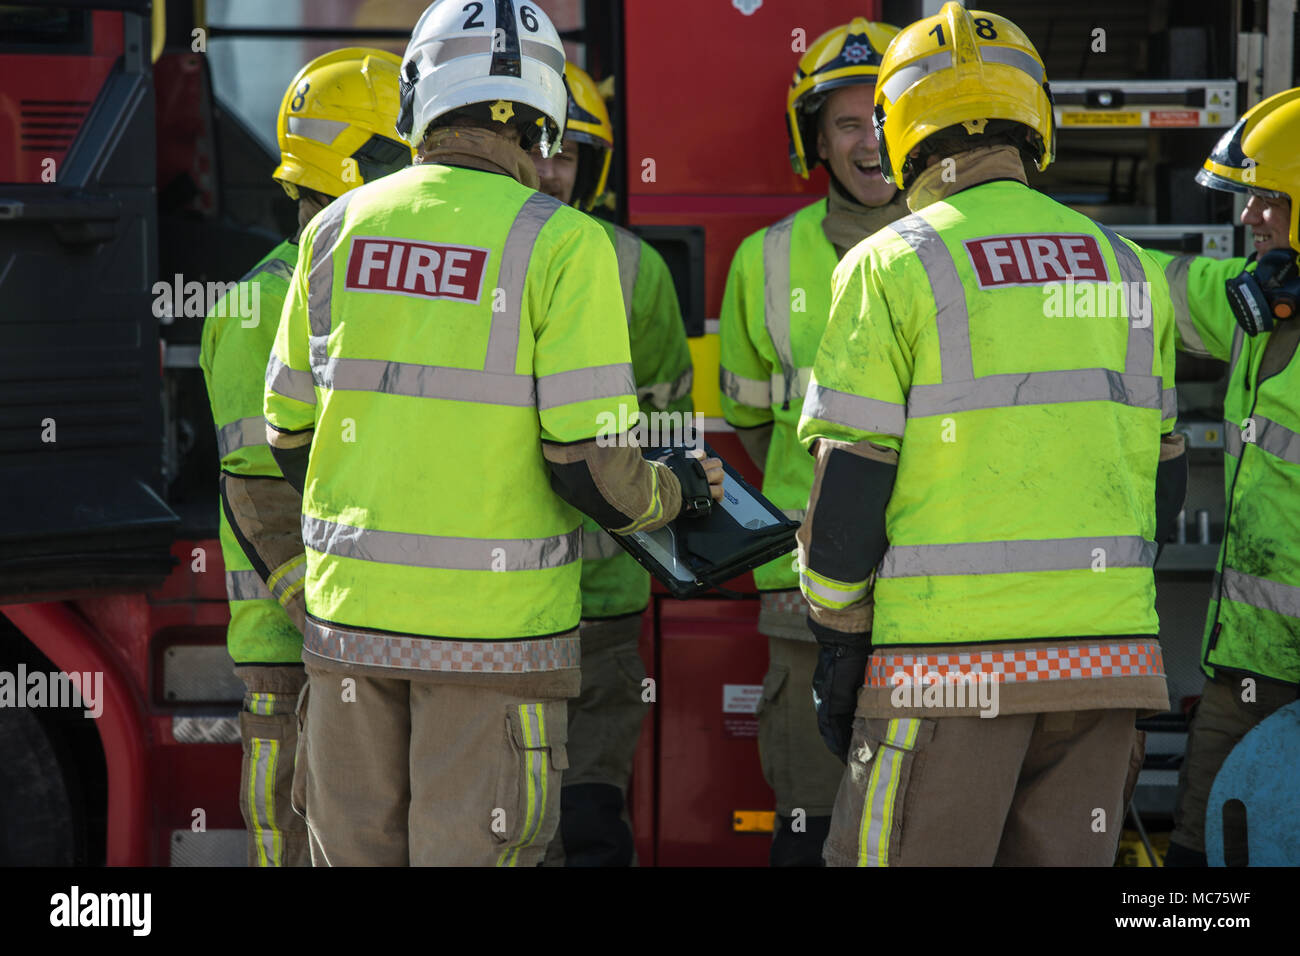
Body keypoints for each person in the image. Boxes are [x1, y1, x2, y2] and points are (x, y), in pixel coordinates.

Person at [258, 0, 721, 866]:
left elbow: (287, 436)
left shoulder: (334, 229)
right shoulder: (564, 245)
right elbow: (590, 464)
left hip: (350, 633)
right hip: (495, 646)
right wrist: (678, 492)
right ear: (544, 119)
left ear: (417, 102)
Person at [796, 2, 1188, 866]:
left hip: (944, 673)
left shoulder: (891, 263)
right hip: (1106, 665)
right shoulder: (1125, 268)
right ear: (1033, 118)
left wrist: (835, 637)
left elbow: (853, 482)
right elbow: (1164, 480)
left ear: (903, 129)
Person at [199, 47, 409, 867]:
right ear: (367, 164)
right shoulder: (262, 305)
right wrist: (343, 634)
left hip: (371, 643)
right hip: (298, 656)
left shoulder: (371, 285)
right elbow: (262, 500)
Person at [717, 16, 906, 866]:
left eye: (888, 117)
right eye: (848, 123)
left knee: (925, 827)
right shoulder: (763, 261)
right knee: (810, 822)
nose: (872, 142)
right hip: (807, 614)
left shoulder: (959, 252)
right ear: (816, 141)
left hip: (938, 602)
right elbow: (755, 427)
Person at [531, 62, 694, 867]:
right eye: (540, 147)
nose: (552, 170)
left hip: (602, 606)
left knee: (590, 822)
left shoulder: (638, 272)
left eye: (570, 153)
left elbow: (665, 431)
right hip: (494, 607)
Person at [1140, 87, 1300, 866]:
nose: (1249, 221)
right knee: (1201, 862)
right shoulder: (1261, 306)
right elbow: (1141, 283)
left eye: (1269, 201)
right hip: (1246, 671)